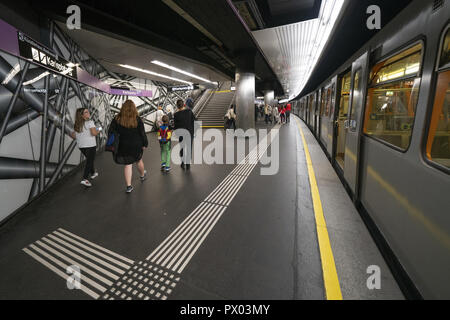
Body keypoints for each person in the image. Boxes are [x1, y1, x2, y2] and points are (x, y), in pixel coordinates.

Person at [109, 100, 148, 193]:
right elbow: (142, 133)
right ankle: (142, 175)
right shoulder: (137, 119)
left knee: (128, 164)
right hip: (136, 144)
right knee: (138, 160)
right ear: (134, 108)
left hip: (123, 145)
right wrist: (145, 144)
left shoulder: (117, 119)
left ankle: (129, 186)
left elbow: (111, 132)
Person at [72, 108, 100, 187]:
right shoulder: (90, 122)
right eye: (86, 112)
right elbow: (94, 133)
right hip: (90, 145)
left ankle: (93, 173)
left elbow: (74, 136)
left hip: (81, 146)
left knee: (89, 159)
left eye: (88, 111)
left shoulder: (76, 124)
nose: (88, 113)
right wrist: (99, 129)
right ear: (82, 115)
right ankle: (84, 179)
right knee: (89, 161)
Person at [174, 99, 196, 170]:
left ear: (177, 106)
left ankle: (183, 163)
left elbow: (176, 126)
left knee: (182, 148)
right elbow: (194, 121)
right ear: (183, 104)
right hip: (190, 133)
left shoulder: (176, 115)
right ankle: (188, 165)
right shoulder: (189, 111)